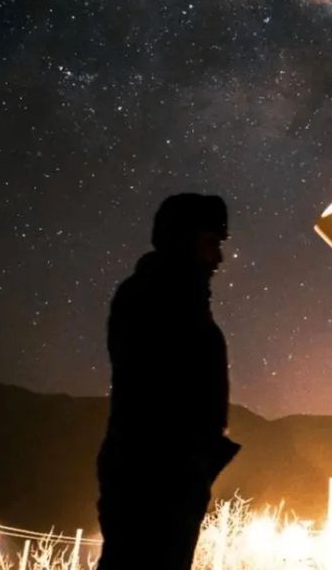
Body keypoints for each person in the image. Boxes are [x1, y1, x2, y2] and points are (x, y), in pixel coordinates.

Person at [96, 193, 241, 570]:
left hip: (167, 474)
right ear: (183, 240)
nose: (219, 258)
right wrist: (194, 456)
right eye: (211, 243)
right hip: (155, 479)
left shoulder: (172, 296)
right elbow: (163, 393)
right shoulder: (160, 298)